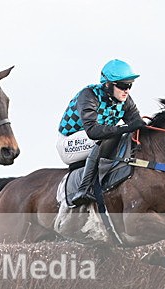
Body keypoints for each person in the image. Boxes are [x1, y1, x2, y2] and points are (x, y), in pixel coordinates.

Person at [57, 59, 146, 208]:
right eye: (123, 85)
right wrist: (124, 128)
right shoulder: (89, 95)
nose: (127, 90)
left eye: (130, 85)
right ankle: (83, 189)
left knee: (126, 136)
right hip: (70, 143)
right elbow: (93, 131)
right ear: (108, 84)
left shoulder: (125, 100)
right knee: (113, 134)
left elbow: (137, 124)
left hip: (95, 140)